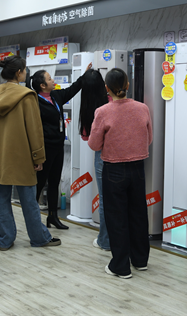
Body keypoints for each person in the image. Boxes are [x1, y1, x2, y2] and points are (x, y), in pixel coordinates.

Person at [0, 55, 61, 250]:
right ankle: (39, 238)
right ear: (19, 73)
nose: (26, 73)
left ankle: (5, 240)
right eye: (24, 70)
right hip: (22, 156)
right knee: (29, 200)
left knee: (1, 199)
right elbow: (34, 130)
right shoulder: (27, 96)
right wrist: (38, 156)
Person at [88, 68, 153, 279]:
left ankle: (120, 266)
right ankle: (140, 260)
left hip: (113, 169)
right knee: (138, 214)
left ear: (107, 88)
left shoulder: (102, 112)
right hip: (138, 168)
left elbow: (94, 144)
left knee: (117, 217)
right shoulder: (143, 108)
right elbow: (149, 138)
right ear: (127, 85)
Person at [30, 63, 92, 229]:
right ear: (42, 85)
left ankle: (53, 217)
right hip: (44, 148)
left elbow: (73, 89)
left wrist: (85, 75)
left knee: (54, 182)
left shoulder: (56, 96)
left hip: (58, 146)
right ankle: (33, 220)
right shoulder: (34, 102)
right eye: (50, 79)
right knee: (39, 184)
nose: (53, 81)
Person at [78, 69, 111, 251]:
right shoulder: (112, 102)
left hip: (101, 155)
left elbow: (87, 138)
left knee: (105, 199)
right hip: (122, 155)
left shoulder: (88, 107)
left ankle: (105, 240)